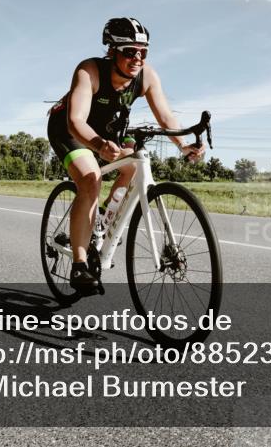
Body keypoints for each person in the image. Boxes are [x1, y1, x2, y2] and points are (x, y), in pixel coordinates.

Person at [47, 17, 204, 292]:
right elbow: (75, 121)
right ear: (112, 51)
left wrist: (183, 145)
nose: (137, 58)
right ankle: (80, 266)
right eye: (130, 51)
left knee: (133, 166)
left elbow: (166, 116)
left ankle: (102, 220)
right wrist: (98, 146)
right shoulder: (89, 71)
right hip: (70, 130)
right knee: (90, 179)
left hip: (110, 131)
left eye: (143, 52)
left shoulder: (147, 76)